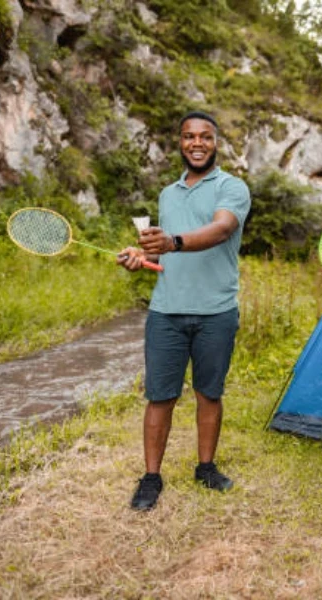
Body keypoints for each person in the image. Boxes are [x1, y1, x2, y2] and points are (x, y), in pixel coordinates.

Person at [118, 110, 251, 511]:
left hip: (216, 311)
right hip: (166, 312)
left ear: (216, 143)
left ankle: (205, 468)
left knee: (209, 393)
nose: (197, 143)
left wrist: (171, 242)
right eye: (189, 136)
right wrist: (143, 256)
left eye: (205, 137)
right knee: (160, 397)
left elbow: (221, 229)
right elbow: (167, 250)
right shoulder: (167, 194)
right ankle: (151, 477)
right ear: (180, 142)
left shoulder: (232, 187)